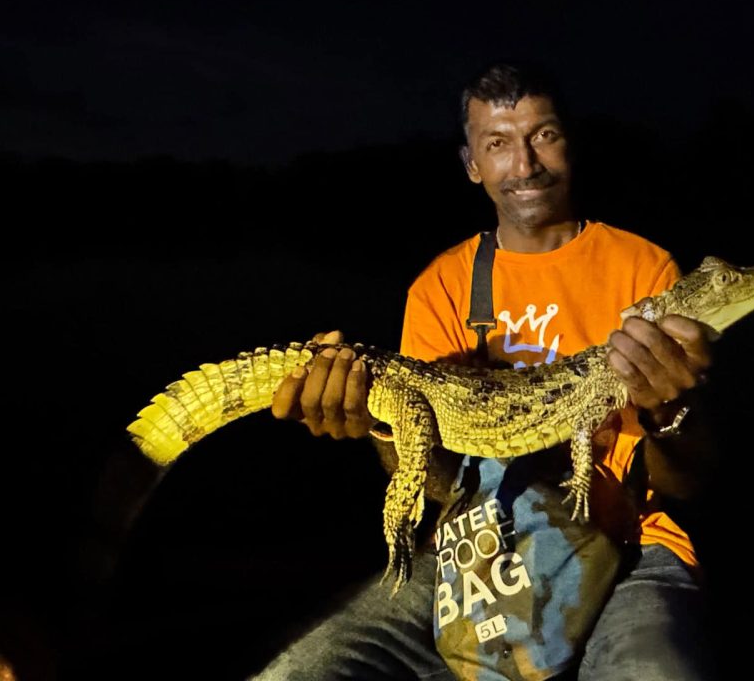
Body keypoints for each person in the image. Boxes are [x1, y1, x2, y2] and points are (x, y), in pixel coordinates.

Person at [258, 64, 716, 680]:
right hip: (472, 543)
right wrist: (381, 424)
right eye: (498, 143)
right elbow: (441, 487)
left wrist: (668, 412)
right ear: (472, 163)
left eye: (543, 135)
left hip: (631, 537)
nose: (524, 166)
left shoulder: (645, 267)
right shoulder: (441, 287)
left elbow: (688, 484)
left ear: (568, 143)